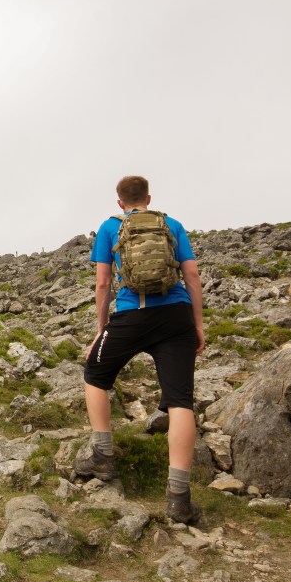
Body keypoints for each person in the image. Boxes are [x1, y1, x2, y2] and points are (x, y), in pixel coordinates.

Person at [76, 175, 205, 524]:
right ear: (148, 197)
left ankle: (102, 456)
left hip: (133, 315)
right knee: (180, 401)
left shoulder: (109, 228)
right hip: (176, 316)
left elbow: (103, 283)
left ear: (120, 202)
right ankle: (178, 499)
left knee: (96, 373)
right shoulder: (172, 224)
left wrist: (102, 329)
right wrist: (197, 325)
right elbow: (191, 276)